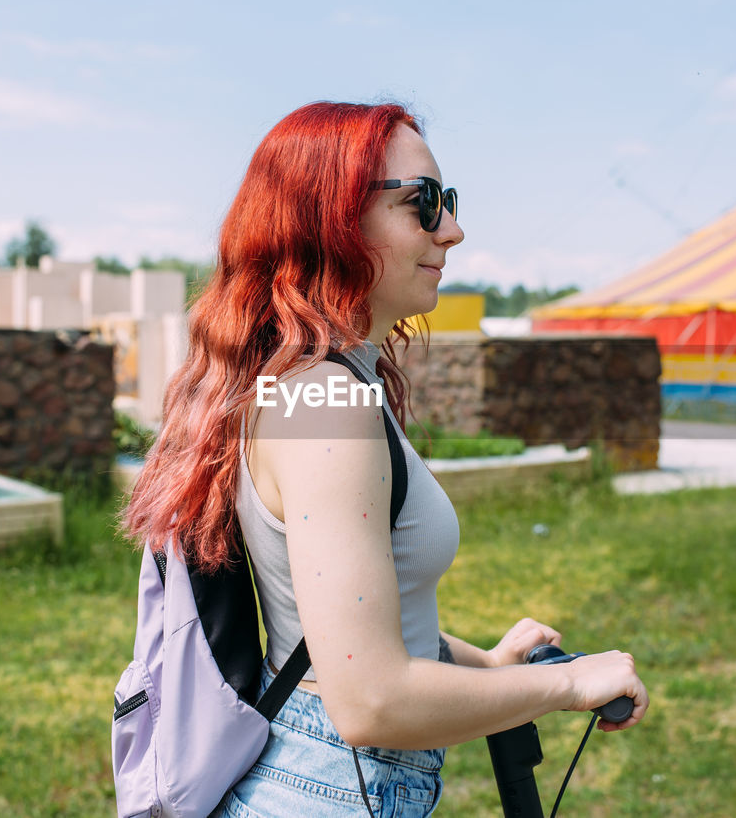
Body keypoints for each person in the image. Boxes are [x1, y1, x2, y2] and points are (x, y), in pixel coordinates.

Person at [123, 101, 648, 817]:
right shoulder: (327, 403)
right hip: (333, 790)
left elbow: (342, 626)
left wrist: (488, 669)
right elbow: (370, 696)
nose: (453, 231)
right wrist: (569, 683)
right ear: (333, 219)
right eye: (422, 204)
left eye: (449, 202)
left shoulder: (310, 382)